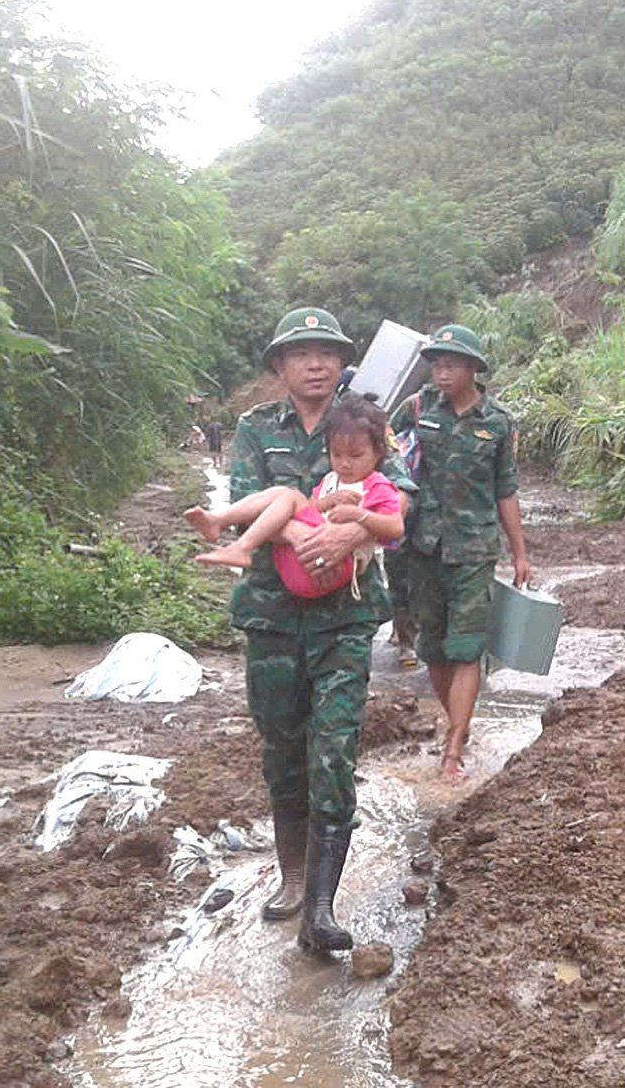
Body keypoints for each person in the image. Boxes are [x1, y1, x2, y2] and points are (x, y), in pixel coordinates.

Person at [216, 308, 413, 955]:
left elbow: (400, 495)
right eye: (300, 352)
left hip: (344, 619)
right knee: (282, 749)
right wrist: (312, 533)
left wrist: (353, 530)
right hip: (271, 615)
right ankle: (292, 875)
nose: (316, 362)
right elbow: (247, 495)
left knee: (334, 749)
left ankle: (321, 907)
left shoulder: (360, 421)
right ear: (280, 365)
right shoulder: (254, 429)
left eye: (326, 350)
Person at [390, 324, 531, 783]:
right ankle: (457, 722)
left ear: (473, 367)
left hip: (473, 549)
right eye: (435, 363)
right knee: (434, 648)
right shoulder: (415, 409)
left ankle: (454, 746)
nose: (441, 371)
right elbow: (383, 456)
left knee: (466, 648)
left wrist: (520, 554)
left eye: (451, 363)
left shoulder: (497, 422)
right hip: (423, 547)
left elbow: (506, 490)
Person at [185, 396, 404, 593]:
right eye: (336, 455)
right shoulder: (331, 479)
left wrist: (359, 518)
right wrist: (327, 502)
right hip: (302, 562)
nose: (345, 463)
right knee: (286, 496)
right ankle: (220, 524)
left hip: (337, 566)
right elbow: (309, 508)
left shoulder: (377, 485)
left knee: (288, 496)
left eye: (356, 456)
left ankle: (239, 543)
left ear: (379, 453)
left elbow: (395, 528)